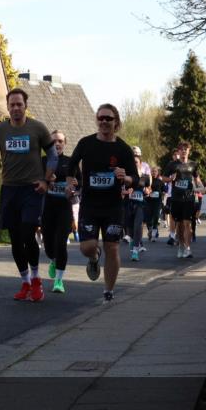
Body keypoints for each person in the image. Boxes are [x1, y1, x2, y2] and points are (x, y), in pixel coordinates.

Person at [0, 88, 58, 302]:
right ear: (7, 107)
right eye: (12, 105)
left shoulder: (38, 128)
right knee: (15, 240)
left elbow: (52, 156)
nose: (16, 108)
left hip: (32, 188)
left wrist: (46, 179)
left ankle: (35, 279)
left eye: (19, 104)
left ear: (26, 106)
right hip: (9, 189)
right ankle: (25, 282)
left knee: (27, 232)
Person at [65, 104, 139, 303]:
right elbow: (71, 165)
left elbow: (136, 178)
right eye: (101, 118)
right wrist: (70, 181)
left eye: (109, 118)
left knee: (112, 247)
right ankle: (94, 256)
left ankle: (108, 291)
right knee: (87, 247)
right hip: (90, 205)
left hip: (113, 207)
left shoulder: (123, 149)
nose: (105, 122)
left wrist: (127, 178)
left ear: (116, 122)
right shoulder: (86, 143)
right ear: (97, 120)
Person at [41, 130, 80, 293]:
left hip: (64, 208)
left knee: (61, 243)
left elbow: (80, 186)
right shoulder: (42, 161)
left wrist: (75, 189)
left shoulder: (71, 162)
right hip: (47, 207)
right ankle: (53, 259)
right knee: (49, 246)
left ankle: (59, 281)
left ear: (65, 144)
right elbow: (34, 181)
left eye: (60, 141)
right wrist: (46, 180)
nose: (57, 144)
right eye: (54, 141)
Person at [164, 141, 199, 259]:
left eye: (186, 149)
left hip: (189, 198)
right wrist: (170, 179)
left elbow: (197, 179)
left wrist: (202, 188)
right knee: (179, 225)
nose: (184, 151)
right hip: (176, 199)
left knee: (187, 223)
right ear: (178, 151)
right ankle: (181, 246)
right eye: (182, 149)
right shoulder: (172, 165)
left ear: (189, 151)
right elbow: (163, 178)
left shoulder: (193, 164)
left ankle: (188, 248)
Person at [124, 148, 151, 262]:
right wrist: (126, 192)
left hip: (140, 205)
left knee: (137, 226)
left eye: (136, 162)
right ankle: (132, 242)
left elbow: (149, 189)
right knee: (129, 230)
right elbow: (121, 189)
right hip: (128, 204)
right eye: (133, 163)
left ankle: (135, 251)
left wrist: (146, 191)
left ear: (140, 164)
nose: (134, 164)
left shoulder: (145, 177)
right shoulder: (127, 176)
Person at [144, 165, 165, 242]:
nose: (153, 172)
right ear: (150, 172)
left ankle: (154, 234)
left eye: (155, 171)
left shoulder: (160, 181)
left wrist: (162, 193)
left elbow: (165, 189)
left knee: (156, 216)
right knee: (148, 217)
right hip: (148, 201)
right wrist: (146, 190)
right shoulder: (147, 181)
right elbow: (143, 188)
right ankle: (150, 229)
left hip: (157, 202)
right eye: (152, 171)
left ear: (157, 172)